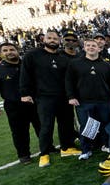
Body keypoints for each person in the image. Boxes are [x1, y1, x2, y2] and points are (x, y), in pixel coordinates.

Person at [20, 29, 79, 167]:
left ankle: (66, 147)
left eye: (55, 38)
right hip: (44, 97)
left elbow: (69, 79)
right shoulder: (33, 55)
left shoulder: (63, 58)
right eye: (50, 38)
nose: (52, 40)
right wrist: (25, 93)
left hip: (64, 97)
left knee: (66, 123)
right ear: (44, 40)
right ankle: (44, 153)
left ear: (59, 41)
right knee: (46, 126)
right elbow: (25, 74)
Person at [66, 38, 110, 160]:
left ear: (99, 48)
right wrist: (71, 96)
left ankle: (105, 145)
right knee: (86, 126)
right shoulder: (75, 63)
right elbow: (69, 81)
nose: (91, 47)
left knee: (105, 124)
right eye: (88, 45)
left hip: (104, 100)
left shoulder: (106, 65)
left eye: (94, 46)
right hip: (83, 101)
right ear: (84, 48)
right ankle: (86, 150)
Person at [0, 42, 40, 164]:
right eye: (5, 50)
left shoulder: (27, 66)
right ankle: (24, 155)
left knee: (41, 127)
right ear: (0, 54)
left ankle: (48, 147)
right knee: (19, 132)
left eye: (12, 49)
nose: (9, 52)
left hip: (34, 103)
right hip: (14, 106)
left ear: (17, 50)